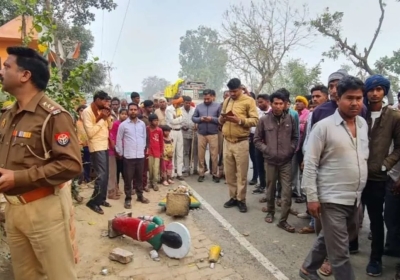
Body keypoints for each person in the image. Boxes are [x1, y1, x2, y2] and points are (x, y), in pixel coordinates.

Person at [0, 46, 82, 279]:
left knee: (59, 274)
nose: (1, 71)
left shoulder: (53, 116)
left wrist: (18, 178)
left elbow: (71, 165)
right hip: (13, 209)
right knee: (25, 275)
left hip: (44, 208)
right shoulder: (8, 115)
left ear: (25, 75)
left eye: (7, 66)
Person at [299, 76, 368, 280]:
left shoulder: (363, 124)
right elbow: (310, 163)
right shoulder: (324, 127)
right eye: (349, 98)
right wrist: (311, 197)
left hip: (354, 197)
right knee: (340, 254)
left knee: (331, 236)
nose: (355, 103)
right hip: (331, 198)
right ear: (337, 98)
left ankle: (307, 269)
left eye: (359, 98)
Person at [361, 75, 400, 277]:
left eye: (379, 89)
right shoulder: (360, 114)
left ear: (384, 91)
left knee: (378, 220)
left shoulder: (394, 116)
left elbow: (399, 148)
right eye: (371, 89)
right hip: (359, 174)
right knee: (357, 214)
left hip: (380, 176)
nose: (375, 93)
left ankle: (375, 259)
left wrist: (385, 165)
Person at [254, 92, 298, 232]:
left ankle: (283, 220)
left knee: (286, 191)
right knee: (270, 187)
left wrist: (290, 150)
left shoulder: (290, 119)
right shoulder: (264, 120)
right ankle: (271, 211)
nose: (278, 106)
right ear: (271, 104)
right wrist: (267, 150)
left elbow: (295, 137)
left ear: (285, 104)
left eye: (281, 103)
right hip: (270, 161)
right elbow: (256, 140)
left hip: (286, 161)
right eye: (275, 103)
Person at [219, 78, 258, 213]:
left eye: (235, 91)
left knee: (241, 173)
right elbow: (220, 119)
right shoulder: (227, 101)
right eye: (230, 91)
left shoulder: (249, 101)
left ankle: (241, 199)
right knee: (229, 173)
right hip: (227, 141)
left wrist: (239, 120)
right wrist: (222, 118)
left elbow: (255, 120)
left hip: (241, 141)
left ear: (241, 89)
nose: (232, 94)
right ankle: (233, 197)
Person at [82, 90, 113, 214]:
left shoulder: (102, 111)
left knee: (105, 175)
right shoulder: (87, 112)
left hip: (104, 145)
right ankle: (93, 202)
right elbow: (90, 133)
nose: (106, 103)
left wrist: (108, 116)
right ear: (97, 100)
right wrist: (102, 120)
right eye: (104, 100)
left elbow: (109, 127)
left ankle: (101, 199)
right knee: (101, 176)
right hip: (96, 146)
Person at [116, 103, 149, 209]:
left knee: (139, 177)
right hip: (128, 156)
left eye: (135, 109)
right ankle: (128, 198)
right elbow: (119, 139)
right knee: (128, 178)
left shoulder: (142, 124)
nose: (133, 111)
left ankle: (140, 196)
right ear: (128, 111)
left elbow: (144, 137)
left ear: (138, 111)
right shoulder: (123, 125)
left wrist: (143, 148)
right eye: (131, 110)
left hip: (140, 155)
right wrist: (120, 152)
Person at [192, 89, 221, 183]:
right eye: (205, 98)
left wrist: (211, 119)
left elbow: (221, 119)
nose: (206, 100)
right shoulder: (199, 107)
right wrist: (200, 119)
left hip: (213, 134)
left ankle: (215, 174)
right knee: (201, 155)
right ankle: (201, 173)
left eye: (208, 98)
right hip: (201, 134)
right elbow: (193, 118)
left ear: (212, 97)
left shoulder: (217, 106)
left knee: (214, 155)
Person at [252, 94, 271, 195]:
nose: (259, 104)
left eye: (261, 102)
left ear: (267, 102)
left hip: (269, 144)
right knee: (259, 164)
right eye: (258, 102)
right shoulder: (257, 112)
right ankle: (262, 185)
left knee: (268, 167)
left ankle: (270, 189)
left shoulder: (272, 112)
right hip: (258, 143)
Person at [165, 97, 184, 180]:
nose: (181, 104)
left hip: (179, 131)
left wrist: (178, 119)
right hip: (172, 131)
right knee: (172, 152)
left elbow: (183, 120)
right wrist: (180, 119)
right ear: (175, 102)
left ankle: (179, 173)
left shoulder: (180, 109)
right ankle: (172, 173)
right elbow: (172, 121)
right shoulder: (169, 109)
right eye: (180, 102)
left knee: (180, 153)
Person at [147, 113, 163, 191]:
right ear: (150, 121)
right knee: (150, 167)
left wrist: (161, 151)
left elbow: (161, 142)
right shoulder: (147, 129)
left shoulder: (159, 130)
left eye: (157, 120)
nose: (156, 122)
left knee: (156, 168)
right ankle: (150, 182)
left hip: (157, 152)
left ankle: (155, 182)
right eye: (154, 120)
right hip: (149, 151)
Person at [181, 96, 196, 174]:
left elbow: (197, 119)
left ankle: (195, 168)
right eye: (186, 103)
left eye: (189, 103)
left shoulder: (194, 110)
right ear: (183, 102)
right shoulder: (179, 110)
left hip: (193, 133)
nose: (187, 104)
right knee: (185, 152)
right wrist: (182, 126)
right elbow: (177, 120)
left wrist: (195, 126)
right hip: (184, 134)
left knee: (193, 152)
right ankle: (186, 168)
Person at [116, 108, 128, 191]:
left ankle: (127, 188)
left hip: (126, 150)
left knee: (125, 171)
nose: (124, 115)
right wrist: (117, 150)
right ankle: (116, 188)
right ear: (119, 114)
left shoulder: (127, 124)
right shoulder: (116, 124)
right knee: (117, 170)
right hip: (117, 150)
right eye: (122, 114)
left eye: (125, 114)